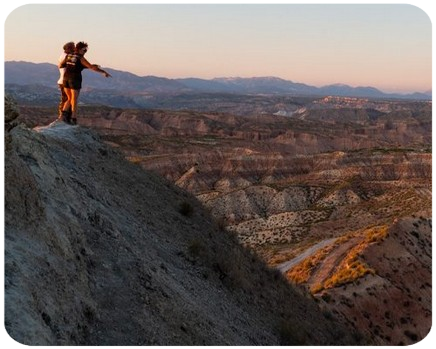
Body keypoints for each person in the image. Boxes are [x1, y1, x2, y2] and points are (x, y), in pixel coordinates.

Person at [59, 41, 111, 125]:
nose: (85, 52)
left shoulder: (69, 56)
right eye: (84, 50)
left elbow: (61, 65)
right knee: (74, 100)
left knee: (69, 98)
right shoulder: (80, 58)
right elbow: (91, 67)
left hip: (66, 79)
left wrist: (75, 66)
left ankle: (64, 117)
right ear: (79, 49)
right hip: (75, 80)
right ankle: (73, 118)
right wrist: (103, 72)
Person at [57, 41, 75, 121]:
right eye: (73, 48)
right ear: (68, 49)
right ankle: (62, 117)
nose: (74, 49)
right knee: (67, 99)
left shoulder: (63, 55)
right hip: (65, 81)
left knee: (67, 99)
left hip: (64, 80)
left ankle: (65, 117)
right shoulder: (67, 56)